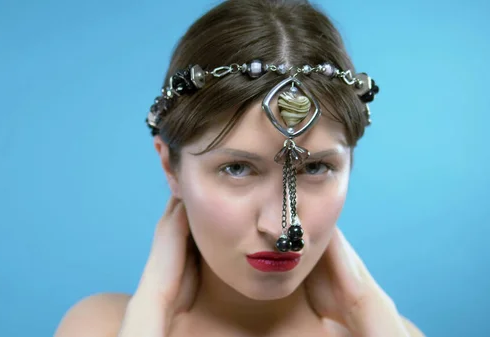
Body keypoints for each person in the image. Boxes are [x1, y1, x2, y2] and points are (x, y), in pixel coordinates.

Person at [55, 0, 425, 336]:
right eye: (236, 168)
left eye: (316, 168)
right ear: (170, 166)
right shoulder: (101, 327)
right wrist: (153, 306)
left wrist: (368, 308)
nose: (282, 227)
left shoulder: (386, 329)